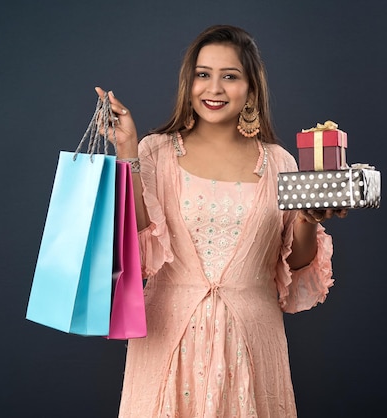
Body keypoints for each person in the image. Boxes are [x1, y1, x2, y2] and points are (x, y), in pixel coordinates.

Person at [95, 24, 346, 418]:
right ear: (188, 82)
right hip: (167, 339)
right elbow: (138, 248)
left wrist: (309, 220)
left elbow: (295, 266)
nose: (213, 88)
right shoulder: (156, 151)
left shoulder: (280, 162)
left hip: (252, 340)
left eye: (229, 76)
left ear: (250, 89)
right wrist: (127, 150)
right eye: (203, 74)